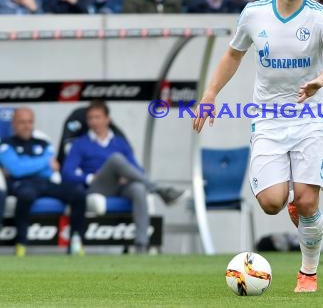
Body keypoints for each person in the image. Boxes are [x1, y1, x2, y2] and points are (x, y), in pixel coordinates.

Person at [193, 0, 323, 292]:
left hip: (310, 118)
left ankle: (308, 272)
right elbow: (233, 55)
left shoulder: (320, 14)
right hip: (268, 120)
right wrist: (210, 93)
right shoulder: (254, 14)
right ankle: (294, 211)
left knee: (308, 200)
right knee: (271, 203)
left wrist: (320, 80)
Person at [61, 100, 187, 253]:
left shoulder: (119, 142)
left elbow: (138, 168)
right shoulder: (80, 143)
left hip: (121, 186)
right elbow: (67, 173)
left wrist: (127, 176)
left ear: (108, 119)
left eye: (97, 117)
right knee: (116, 159)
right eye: (90, 118)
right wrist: (88, 178)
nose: (93, 121)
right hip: (98, 187)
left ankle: (141, 245)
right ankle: (160, 190)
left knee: (139, 188)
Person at [0, 107, 86, 256]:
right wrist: (44, 162)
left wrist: (27, 164)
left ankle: (75, 240)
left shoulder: (43, 142)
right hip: (21, 184)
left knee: (78, 192)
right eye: (22, 122)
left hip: (44, 182)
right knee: (26, 195)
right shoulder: (6, 144)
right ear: (13, 124)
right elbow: (16, 170)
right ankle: (21, 243)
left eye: (30, 122)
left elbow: (52, 169)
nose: (27, 126)